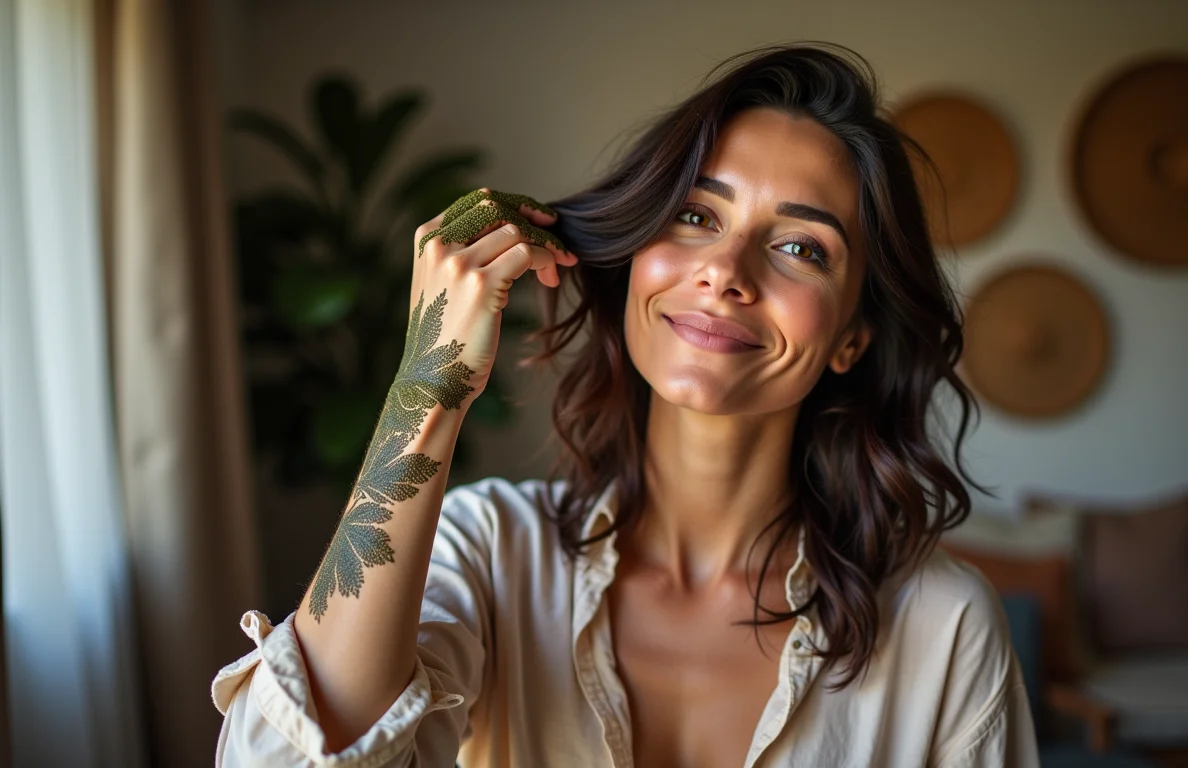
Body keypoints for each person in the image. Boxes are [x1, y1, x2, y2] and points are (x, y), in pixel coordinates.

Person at [212, 41, 1039, 767]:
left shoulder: (944, 627)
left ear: (852, 337)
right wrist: (428, 385)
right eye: (695, 214)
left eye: (800, 246)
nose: (725, 271)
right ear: (636, 252)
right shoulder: (490, 552)